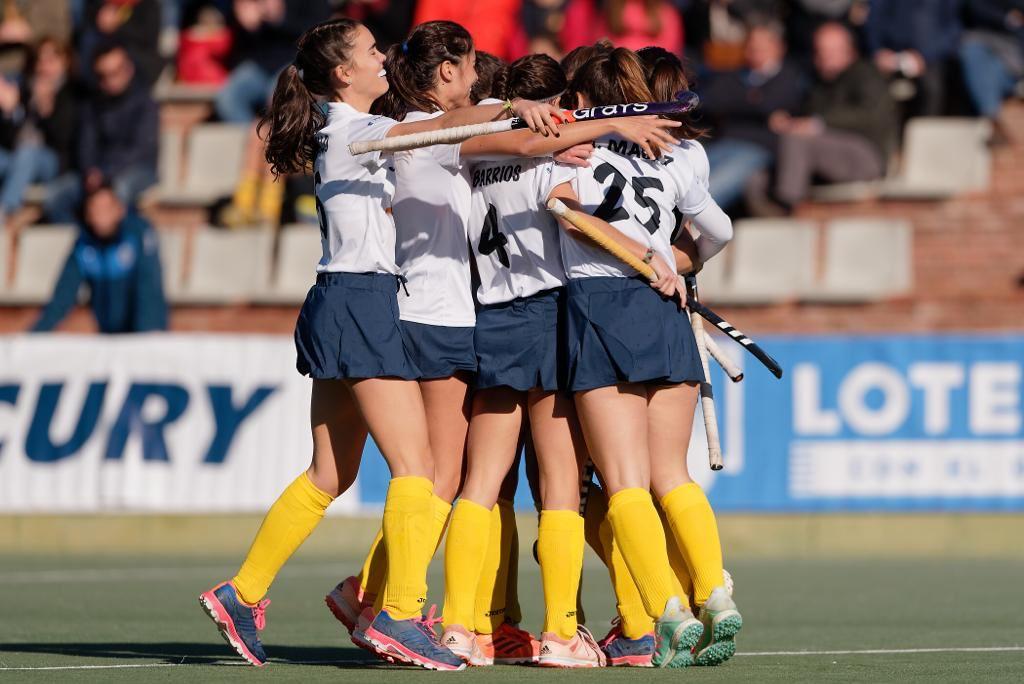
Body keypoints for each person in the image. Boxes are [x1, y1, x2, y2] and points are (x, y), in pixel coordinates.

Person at [196, 17, 674, 671]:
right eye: (370, 52)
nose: (382, 60)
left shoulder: (369, 128)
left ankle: (248, 593)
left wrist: (523, 118)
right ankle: (396, 611)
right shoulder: (376, 130)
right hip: (388, 307)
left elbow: (480, 132)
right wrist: (588, 124)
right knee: (427, 474)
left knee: (331, 474)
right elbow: (455, 132)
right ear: (343, 72)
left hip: (358, 300)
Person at [548, 46, 740, 668]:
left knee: (625, 482)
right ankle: (715, 591)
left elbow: (566, 210)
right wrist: (675, 261)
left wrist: (641, 254)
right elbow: (721, 232)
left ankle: (669, 611)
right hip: (665, 312)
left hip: (601, 308)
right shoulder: (680, 154)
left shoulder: (570, 149)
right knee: (674, 475)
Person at [439, 53, 604, 669]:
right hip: (547, 313)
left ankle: (460, 626)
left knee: (480, 484)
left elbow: (482, 139)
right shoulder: (546, 163)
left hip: (491, 314)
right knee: (560, 485)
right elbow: (579, 219)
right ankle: (562, 632)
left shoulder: (472, 159)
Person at [770, 22, 896, 209]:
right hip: (826, 154)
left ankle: (788, 213)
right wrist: (788, 121)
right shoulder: (818, 83)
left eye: (831, 50)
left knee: (796, 141)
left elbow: (869, 116)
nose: (824, 56)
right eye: (820, 51)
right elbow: (807, 119)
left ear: (850, 50)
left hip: (867, 156)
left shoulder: (867, 74)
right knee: (758, 180)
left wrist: (817, 124)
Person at [44, 43, 158, 223]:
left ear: (128, 69)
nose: (110, 80)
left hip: (137, 171)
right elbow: (85, 144)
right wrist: (90, 171)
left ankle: (122, 245)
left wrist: (106, 172)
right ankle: (83, 242)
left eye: (115, 72)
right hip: (96, 174)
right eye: (103, 75)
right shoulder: (93, 105)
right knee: (55, 196)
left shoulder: (145, 103)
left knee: (117, 193)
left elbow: (140, 149)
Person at [700, 20, 806, 212]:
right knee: (686, 178)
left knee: (713, 188)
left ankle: (690, 235)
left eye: (762, 44)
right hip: (724, 143)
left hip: (758, 148)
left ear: (778, 47)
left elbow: (771, 104)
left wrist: (743, 102)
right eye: (752, 44)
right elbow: (712, 101)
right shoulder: (734, 75)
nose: (755, 48)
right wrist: (754, 103)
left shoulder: (790, 77)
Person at [31, 184, 167, 333]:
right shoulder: (84, 246)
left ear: (119, 210)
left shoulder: (138, 235)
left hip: (144, 336)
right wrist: (33, 338)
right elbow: (62, 297)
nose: (100, 216)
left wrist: (147, 338)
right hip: (110, 336)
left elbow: (148, 291)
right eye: (95, 210)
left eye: (106, 209)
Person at [0, 37, 77, 230]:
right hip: (18, 159)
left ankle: (6, 211)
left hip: (52, 163)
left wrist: (46, 111)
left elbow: (65, 139)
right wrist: (11, 112)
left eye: (51, 60)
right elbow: (10, 139)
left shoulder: (71, 92)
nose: (45, 66)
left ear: (64, 62)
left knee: (29, 152)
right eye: (41, 60)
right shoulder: (25, 88)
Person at [215, 0, 329, 124]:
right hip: (260, 63)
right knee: (227, 99)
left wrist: (280, 18)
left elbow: (318, 34)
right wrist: (240, 18)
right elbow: (238, 38)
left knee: (279, 95)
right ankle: (257, 138)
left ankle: (276, 139)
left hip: (296, 61)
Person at [864, 0, 960, 119]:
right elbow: (873, 21)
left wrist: (925, 57)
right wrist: (878, 51)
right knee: (872, 84)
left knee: (932, 87)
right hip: (891, 54)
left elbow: (953, 31)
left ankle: (926, 131)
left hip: (929, 59)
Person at [958, 0, 1024, 143]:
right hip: (990, 41)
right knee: (979, 60)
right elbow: (975, 7)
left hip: (1014, 48)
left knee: (993, 71)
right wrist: (1007, 18)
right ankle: (992, 118)